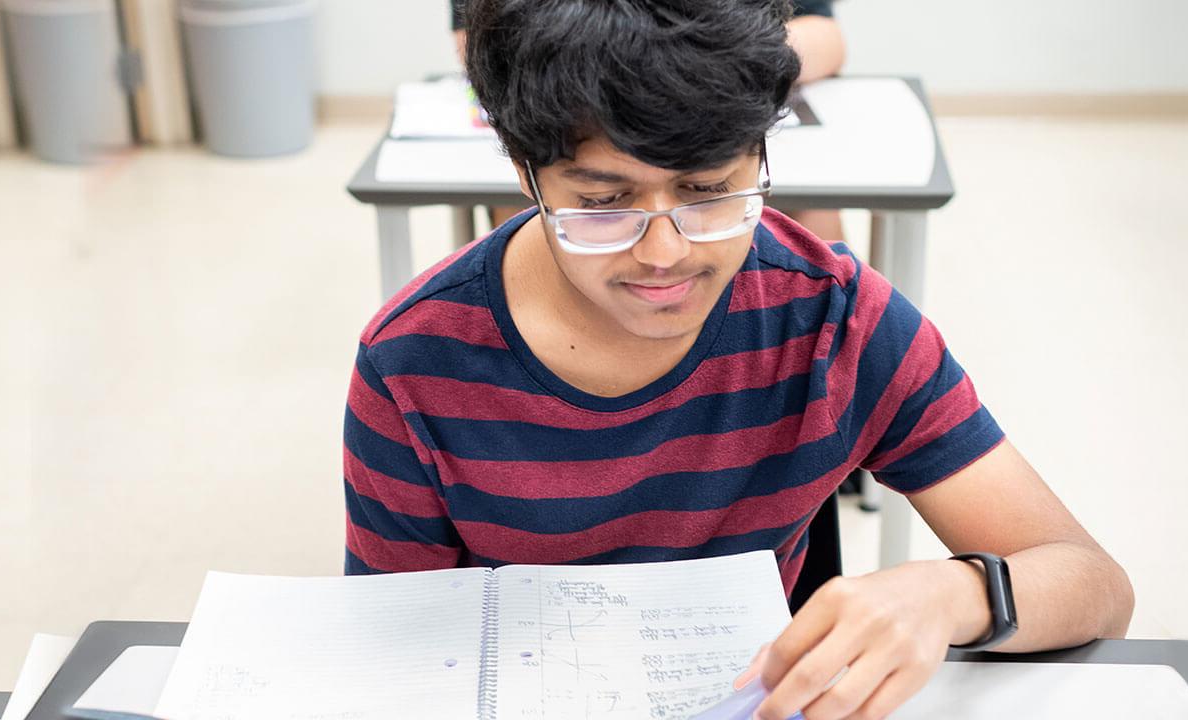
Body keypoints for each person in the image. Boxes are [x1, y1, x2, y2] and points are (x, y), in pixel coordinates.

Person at [344, 2, 1134, 718]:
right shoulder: (414, 360)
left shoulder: (835, 320)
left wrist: (950, 592)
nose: (665, 254)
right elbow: (397, 656)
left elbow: (1092, 582)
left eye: (710, 188)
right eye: (601, 203)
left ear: (760, 154)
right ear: (526, 176)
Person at [450, 0, 849, 242]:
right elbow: (484, 42)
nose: (663, 251)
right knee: (534, 207)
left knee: (812, 211)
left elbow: (825, 37)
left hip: (719, 112)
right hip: (575, 108)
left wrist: (694, 64)